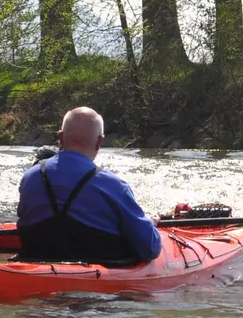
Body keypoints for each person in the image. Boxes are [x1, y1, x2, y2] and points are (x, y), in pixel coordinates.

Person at [16, 107, 162, 264]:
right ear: (100, 141)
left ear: (61, 138)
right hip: (96, 271)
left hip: (37, 262)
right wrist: (151, 224)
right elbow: (150, 248)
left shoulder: (30, 177)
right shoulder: (114, 186)